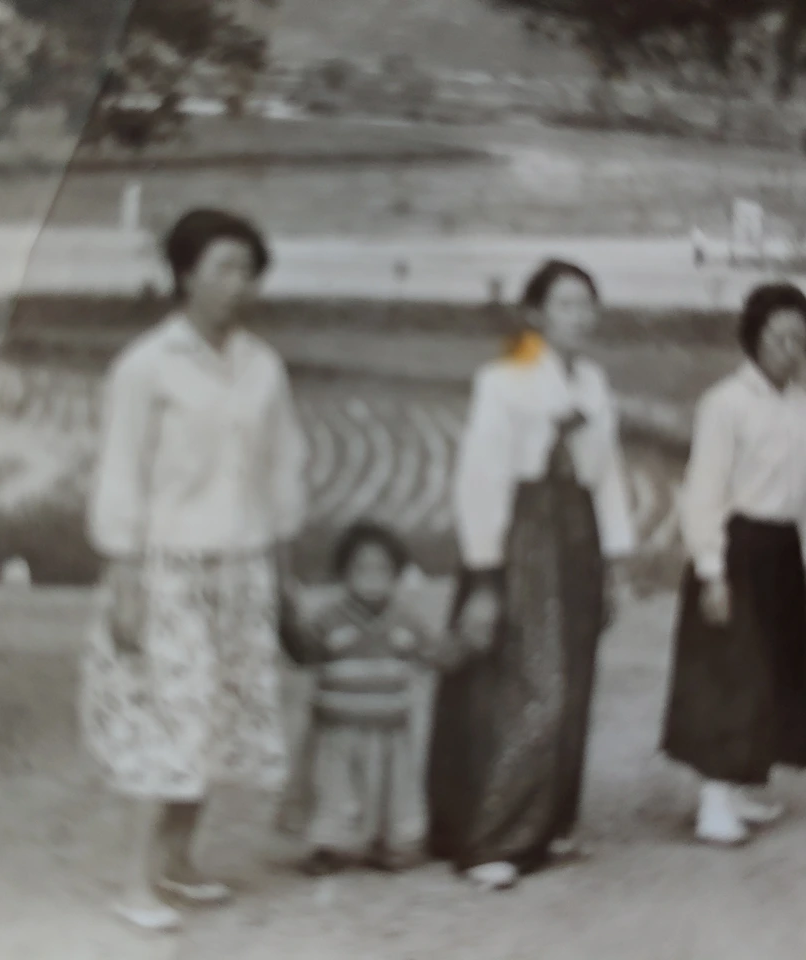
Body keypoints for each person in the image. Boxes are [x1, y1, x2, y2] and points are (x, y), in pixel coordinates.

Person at [79, 208, 308, 931]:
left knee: (217, 720)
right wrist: (125, 580)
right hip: (167, 570)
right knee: (168, 720)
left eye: (249, 270)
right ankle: (134, 881)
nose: (240, 284)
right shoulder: (147, 365)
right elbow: (121, 473)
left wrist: (285, 571)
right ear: (185, 275)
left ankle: (180, 862)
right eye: (224, 268)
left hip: (242, 566)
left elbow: (282, 470)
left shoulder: (263, 367)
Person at [426, 259, 637, 892]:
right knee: (530, 682)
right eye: (566, 305)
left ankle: (547, 826)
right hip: (524, 534)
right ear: (536, 315)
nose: (580, 317)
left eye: (587, 305)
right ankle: (489, 835)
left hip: (578, 533)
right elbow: (482, 475)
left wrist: (615, 564)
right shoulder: (504, 379)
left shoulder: (594, 382)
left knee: (574, 678)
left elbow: (607, 475)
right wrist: (485, 571)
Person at [659, 281, 806, 847]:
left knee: (772, 672)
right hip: (737, 549)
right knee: (730, 675)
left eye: (799, 339)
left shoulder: (800, 404)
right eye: (778, 338)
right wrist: (712, 570)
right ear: (753, 339)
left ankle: (742, 787)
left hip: (781, 550)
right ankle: (713, 801)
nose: (789, 350)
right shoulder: (725, 403)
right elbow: (703, 491)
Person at [283, 520, 456, 875]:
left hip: (389, 727)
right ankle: (330, 846)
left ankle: (389, 842)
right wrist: (285, 616)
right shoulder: (329, 619)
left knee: (391, 787)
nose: (372, 578)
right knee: (335, 788)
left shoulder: (405, 621)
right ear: (343, 573)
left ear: (397, 575)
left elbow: (436, 655)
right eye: (361, 569)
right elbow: (302, 653)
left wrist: (468, 641)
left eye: (382, 570)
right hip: (337, 728)